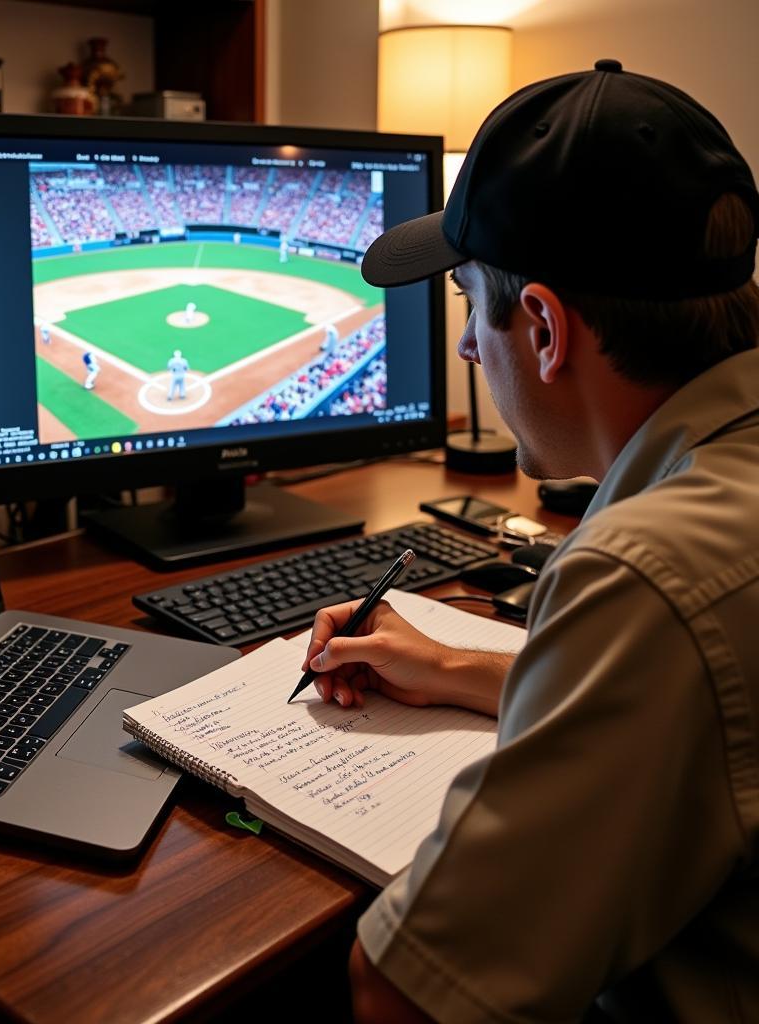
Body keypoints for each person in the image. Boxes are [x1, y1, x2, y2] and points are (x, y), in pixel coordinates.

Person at [303, 61, 759, 1023]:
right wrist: (452, 666)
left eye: (473, 303)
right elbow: (710, 707)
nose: (470, 347)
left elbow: (402, 995)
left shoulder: (646, 571)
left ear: (545, 328)